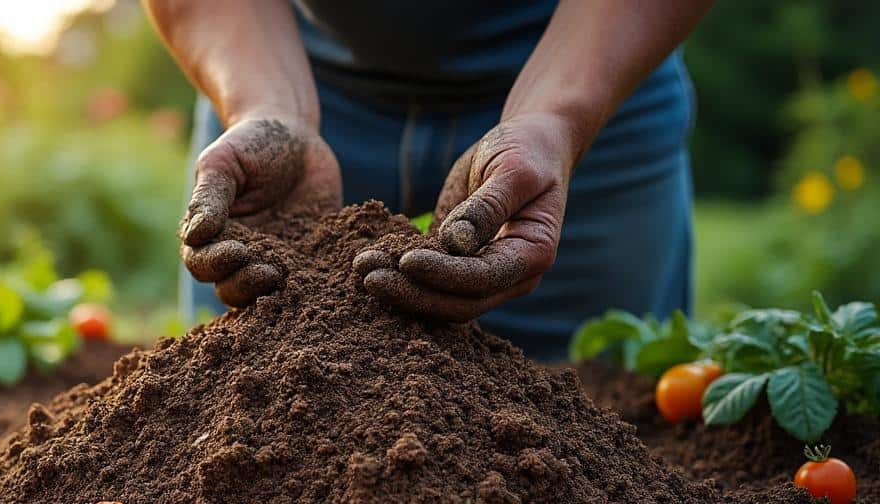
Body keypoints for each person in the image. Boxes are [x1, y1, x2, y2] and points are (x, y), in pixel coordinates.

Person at [144, 0, 714, 360]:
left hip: (591, 72)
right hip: (280, 65)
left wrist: (556, 119)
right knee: (244, 414)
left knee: (595, 441)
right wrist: (272, 106)